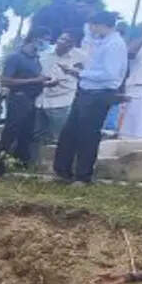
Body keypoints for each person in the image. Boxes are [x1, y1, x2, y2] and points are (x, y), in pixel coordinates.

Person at [52, 11, 127, 185]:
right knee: (70, 132)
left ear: (101, 24)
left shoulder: (115, 44)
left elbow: (110, 73)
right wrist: (82, 69)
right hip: (86, 91)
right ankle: (63, 171)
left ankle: (83, 176)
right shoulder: (100, 42)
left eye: (93, 25)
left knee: (88, 135)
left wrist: (81, 73)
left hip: (99, 94)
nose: (91, 29)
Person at [0, 28, 52, 170]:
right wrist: (35, 80)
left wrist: (43, 83)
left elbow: (34, 80)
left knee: (26, 132)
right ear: (34, 39)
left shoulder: (36, 59)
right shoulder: (16, 57)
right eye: (44, 39)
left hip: (32, 99)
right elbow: (6, 80)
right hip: (18, 98)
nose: (46, 43)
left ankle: (20, 161)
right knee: (12, 130)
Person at [35, 32, 88, 145]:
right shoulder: (44, 53)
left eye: (67, 41)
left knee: (62, 139)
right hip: (40, 99)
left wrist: (71, 71)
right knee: (38, 138)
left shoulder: (81, 57)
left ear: (73, 45)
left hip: (63, 100)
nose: (62, 42)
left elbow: (86, 76)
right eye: (61, 39)